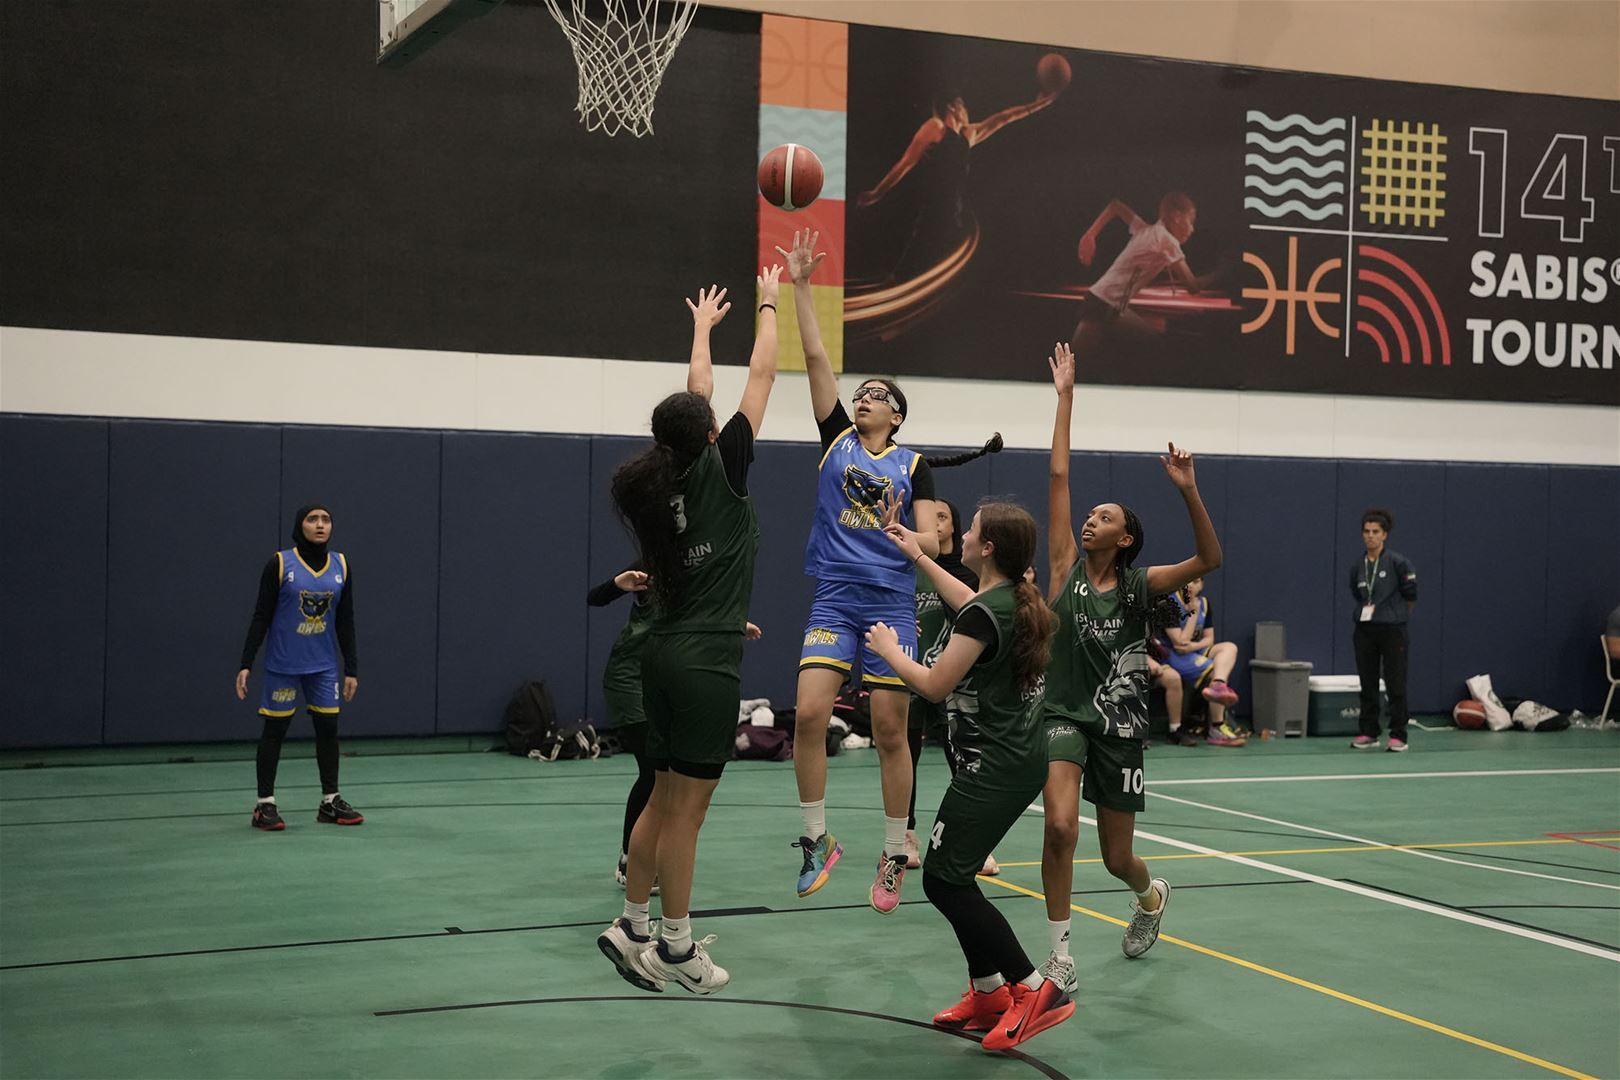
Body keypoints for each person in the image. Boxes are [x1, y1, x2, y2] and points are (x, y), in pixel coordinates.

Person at [595, 265, 782, 995]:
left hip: (664, 651)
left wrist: (702, 330)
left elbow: (699, 394)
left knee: (662, 798)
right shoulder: (723, 468)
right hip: (704, 664)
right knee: (688, 815)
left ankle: (632, 924)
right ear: (709, 433)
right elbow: (761, 374)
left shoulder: (656, 484)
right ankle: (676, 947)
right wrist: (770, 302)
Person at [1039, 342, 1223, 993]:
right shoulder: (1062, 566)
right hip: (1063, 716)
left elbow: (1209, 560)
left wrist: (1189, 490)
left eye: (1105, 518)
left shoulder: (1141, 585)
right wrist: (1065, 398)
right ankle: (1059, 955)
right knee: (1059, 827)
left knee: (1118, 857)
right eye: (1091, 515)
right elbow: (1058, 477)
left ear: (1125, 539)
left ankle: (1150, 897)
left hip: (1119, 728)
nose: (1090, 519)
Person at [866, 500, 1075, 1053]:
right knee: (954, 875)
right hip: (1010, 762)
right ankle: (988, 993)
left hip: (993, 769)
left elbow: (934, 686)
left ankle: (1035, 989)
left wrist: (888, 651)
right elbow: (968, 600)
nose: (960, 535)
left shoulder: (988, 612)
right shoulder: (1009, 600)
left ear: (987, 547)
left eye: (972, 529)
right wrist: (916, 554)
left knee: (944, 880)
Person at [779, 228, 942, 914]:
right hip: (835, 597)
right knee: (810, 714)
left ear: (897, 415)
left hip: (891, 602)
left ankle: (894, 848)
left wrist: (911, 537)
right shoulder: (836, 440)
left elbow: (935, 535)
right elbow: (817, 356)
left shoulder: (913, 465)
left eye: (878, 395)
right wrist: (802, 286)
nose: (865, 398)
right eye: (863, 393)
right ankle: (817, 839)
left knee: (890, 732)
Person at [592, 564, 762, 889]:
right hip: (629, 683)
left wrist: (735, 625)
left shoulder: (691, 577)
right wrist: (617, 583)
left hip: (661, 680)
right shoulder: (647, 573)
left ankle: (647, 856)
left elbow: (700, 612)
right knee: (651, 772)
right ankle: (629, 859)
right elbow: (595, 598)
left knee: (666, 777)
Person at [236, 504, 362, 830]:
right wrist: (246, 662)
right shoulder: (280, 564)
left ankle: (330, 801)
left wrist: (351, 668)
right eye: (312, 519)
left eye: (326, 520)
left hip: (323, 667)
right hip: (283, 665)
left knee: (328, 729)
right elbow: (261, 615)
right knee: (275, 731)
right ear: (300, 525)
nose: (320, 525)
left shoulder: (341, 565)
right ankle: (264, 805)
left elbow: (345, 621)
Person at [858, 87, 1060, 281]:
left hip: (954, 215)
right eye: (963, 105)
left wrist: (1039, 104)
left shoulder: (968, 135)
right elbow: (905, 163)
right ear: (951, 107)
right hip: (933, 215)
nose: (966, 110)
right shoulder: (935, 127)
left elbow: (1004, 118)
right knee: (909, 273)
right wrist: (877, 192)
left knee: (948, 273)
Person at [903, 494, 999, 877]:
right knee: (905, 754)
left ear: (956, 527)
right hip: (911, 674)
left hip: (953, 680)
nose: (936, 522)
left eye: (942, 516)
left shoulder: (968, 575)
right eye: (930, 516)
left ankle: (971, 838)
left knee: (959, 756)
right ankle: (905, 835)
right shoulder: (905, 567)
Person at [1071, 192, 1219, 359]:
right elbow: (1192, 285)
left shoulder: (1144, 230)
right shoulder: (1168, 242)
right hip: (1104, 304)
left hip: (1104, 303)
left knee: (1151, 342)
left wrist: (1090, 235)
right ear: (1177, 217)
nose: (1192, 229)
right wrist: (1221, 273)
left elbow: (1115, 206)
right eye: (1190, 221)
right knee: (1074, 364)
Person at [1349, 508, 1418, 751]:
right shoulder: (1358, 565)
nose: (1370, 536)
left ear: (1384, 535)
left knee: (1395, 682)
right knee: (1367, 682)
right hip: (1365, 630)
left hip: (1392, 631)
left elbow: (1411, 593)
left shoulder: (1398, 562)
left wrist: (1395, 615)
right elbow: (1357, 593)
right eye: (1366, 531)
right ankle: (1369, 731)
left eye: (1375, 532)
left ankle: (1399, 734)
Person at [1159, 577, 1245, 746]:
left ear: (1202, 584)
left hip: (1194, 650)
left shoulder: (1204, 603)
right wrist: (1193, 614)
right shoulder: (1168, 604)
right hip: (1173, 655)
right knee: (1213, 669)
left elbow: (1209, 639)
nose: (1192, 585)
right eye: (1188, 580)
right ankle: (1217, 728)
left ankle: (1218, 684)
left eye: (1197, 581)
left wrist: (1193, 646)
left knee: (1229, 647)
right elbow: (1179, 643)